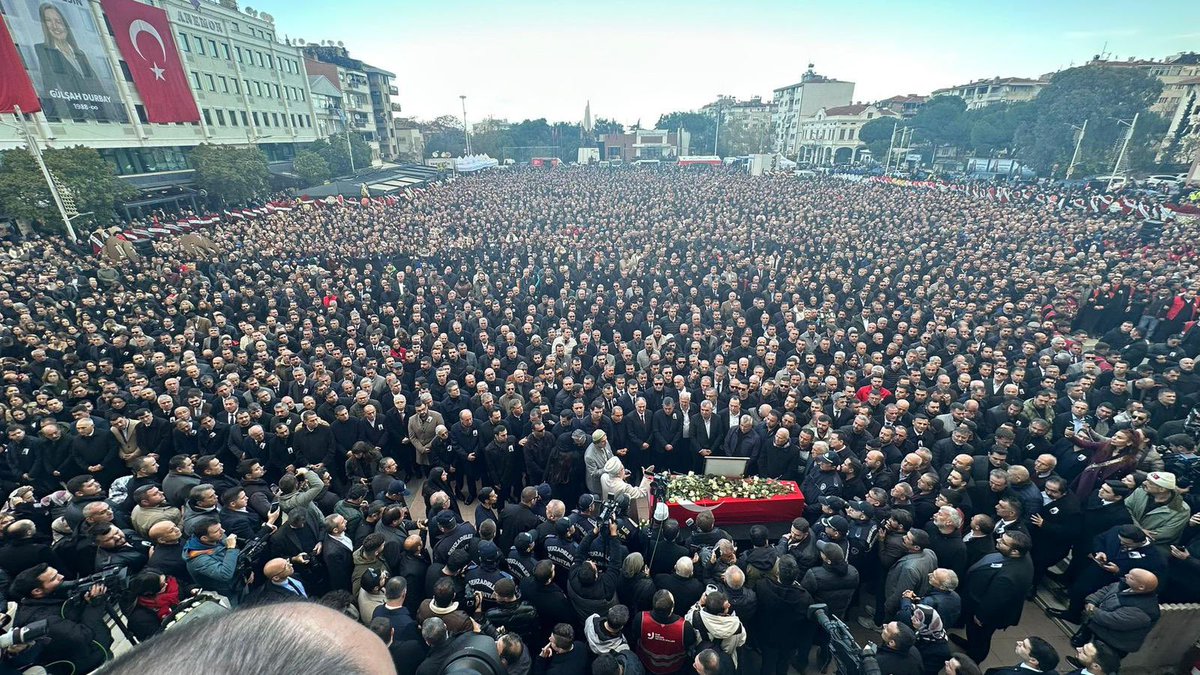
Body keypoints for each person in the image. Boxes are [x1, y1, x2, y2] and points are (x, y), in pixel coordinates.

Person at [11, 563, 113, 672]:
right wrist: (94, 605)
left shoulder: (52, 596)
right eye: (54, 578)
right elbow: (81, 636)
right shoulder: (41, 619)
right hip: (88, 665)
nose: (61, 577)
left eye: (57, 573)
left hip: (96, 651)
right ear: (37, 591)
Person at [952, 531, 1035, 664]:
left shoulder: (1009, 577)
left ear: (1015, 552)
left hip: (985, 615)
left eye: (1003, 542)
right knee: (974, 635)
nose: (998, 541)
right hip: (981, 602)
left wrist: (981, 617)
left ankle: (973, 659)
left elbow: (994, 600)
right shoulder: (1017, 556)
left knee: (980, 637)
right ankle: (970, 644)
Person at [1075, 568, 1161, 657]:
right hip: (1100, 631)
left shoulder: (1142, 610)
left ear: (1141, 587)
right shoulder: (1125, 585)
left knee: (1098, 660)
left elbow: (1110, 620)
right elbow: (1105, 590)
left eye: (1131, 577)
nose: (1126, 576)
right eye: (1128, 574)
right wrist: (1091, 601)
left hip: (1112, 643)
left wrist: (1092, 610)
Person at [632, 589, 697, 675]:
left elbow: (634, 637)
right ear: (672, 607)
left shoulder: (641, 618)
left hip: (646, 663)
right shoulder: (684, 627)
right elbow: (690, 645)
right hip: (673, 668)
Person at [982, 637, 1060, 675]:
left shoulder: (1007, 674)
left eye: (1024, 646)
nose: (1018, 642)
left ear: (1033, 660)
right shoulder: (1053, 673)